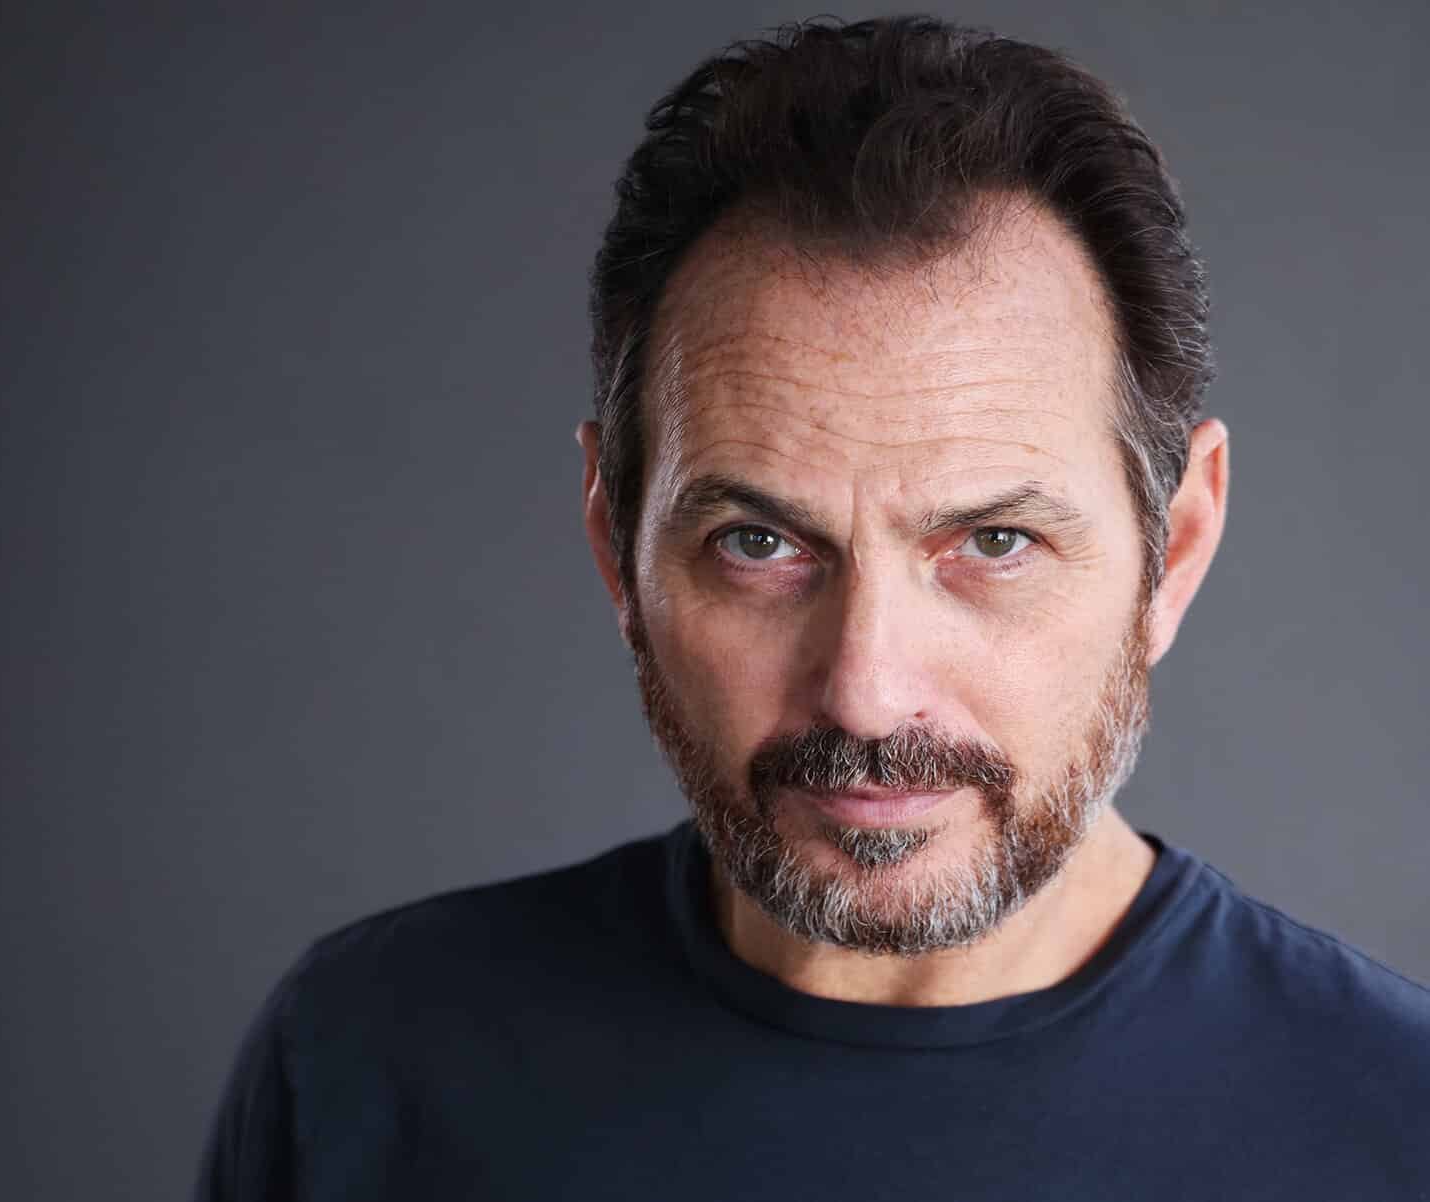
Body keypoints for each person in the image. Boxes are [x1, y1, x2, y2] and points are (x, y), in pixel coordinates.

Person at [195, 16, 1430, 1199]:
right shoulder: (367, 1062)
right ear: (616, 544)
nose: (867, 691)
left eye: (994, 541)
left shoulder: (1400, 1125)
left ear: (1178, 547)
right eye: (760, 543)